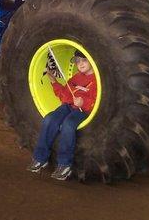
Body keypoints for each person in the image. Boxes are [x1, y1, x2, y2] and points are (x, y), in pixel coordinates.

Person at [27, 50, 97, 181]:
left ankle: (64, 165)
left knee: (68, 125)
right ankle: (40, 158)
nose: (80, 64)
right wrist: (54, 82)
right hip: (68, 106)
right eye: (77, 61)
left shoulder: (97, 80)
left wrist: (84, 102)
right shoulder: (76, 77)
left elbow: (97, 102)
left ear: (91, 60)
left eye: (83, 60)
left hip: (83, 111)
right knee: (49, 119)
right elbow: (65, 95)